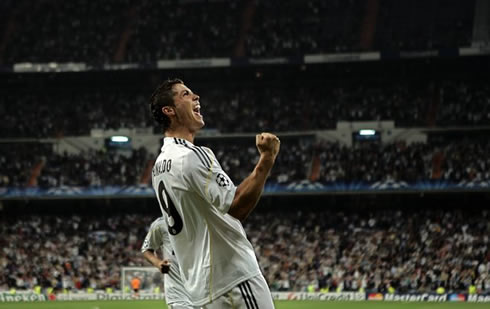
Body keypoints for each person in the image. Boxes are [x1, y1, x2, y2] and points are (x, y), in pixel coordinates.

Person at [149, 78, 280, 308]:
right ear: (169, 110)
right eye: (185, 94)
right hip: (234, 278)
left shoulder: (159, 165)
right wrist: (266, 159)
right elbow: (238, 206)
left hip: (201, 291)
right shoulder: (193, 155)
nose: (196, 96)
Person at [141, 216, 194, 309]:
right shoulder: (161, 224)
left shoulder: (202, 217)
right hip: (179, 295)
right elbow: (146, 249)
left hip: (206, 292)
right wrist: (158, 263)